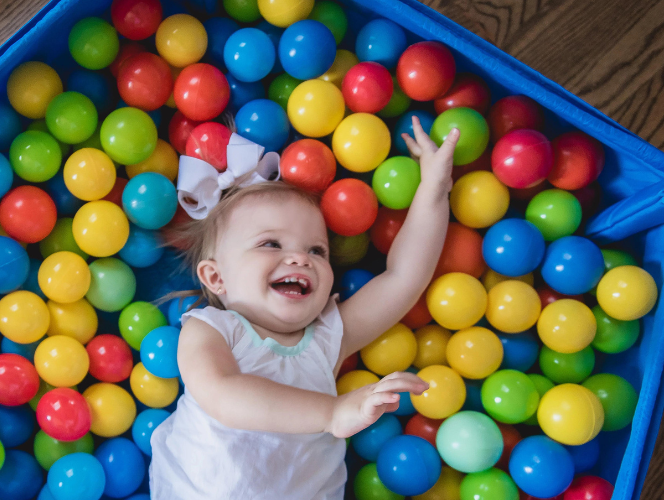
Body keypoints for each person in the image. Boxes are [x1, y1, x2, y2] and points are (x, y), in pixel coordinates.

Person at [149, 116, 459, 499]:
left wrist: (434, 189)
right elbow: (223, 394)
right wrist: (332, 413)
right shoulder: (210, 329)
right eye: (270, 245)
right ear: (216, 278)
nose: (300, 259)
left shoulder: (327, 338)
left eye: (317, 250)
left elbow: (403, 278)